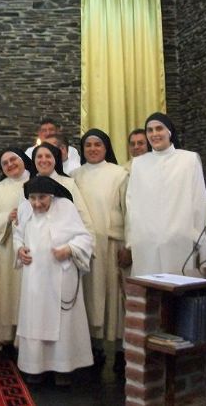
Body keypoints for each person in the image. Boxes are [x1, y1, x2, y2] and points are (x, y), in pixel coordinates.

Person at [14, 176, 94, 386]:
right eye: (33, 198)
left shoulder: (65, 207)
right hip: (34, 278)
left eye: (42, 198)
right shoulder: (24, 208)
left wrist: (69, 249)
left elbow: (85, 238)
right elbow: (18, 236)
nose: (37, 203)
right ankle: (34, 367)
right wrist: (19, 250)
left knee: (62, 323)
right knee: (35, 319)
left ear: (52, 196)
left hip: (61, 275)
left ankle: (63, 367)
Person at [125, 112, 206, 276]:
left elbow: (198, 200)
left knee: (177, 288)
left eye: (159, 129)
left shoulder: (189, 159)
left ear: (169, 132)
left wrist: (194, 233)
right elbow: (132, 202)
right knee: (150, 293)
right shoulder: (139, 163)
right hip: (146, 241)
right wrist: (134, 238)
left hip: (180, 238)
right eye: (150, 130)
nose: (154, 134)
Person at [73, 129, 129, 373]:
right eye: (88, 145)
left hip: (110, 244)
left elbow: (129, 211)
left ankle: (115, 349)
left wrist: (128, 243)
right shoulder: (75, 175)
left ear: (106, 148)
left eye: (98, 144)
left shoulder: (120, 174)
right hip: (83, 246)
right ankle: (89, 347)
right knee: (85, 295)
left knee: (110, 296)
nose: (93, 149)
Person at [0, 148, 35, 346]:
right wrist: (7, 217)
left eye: (14, 160)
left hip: (32, 247)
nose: (10, 165)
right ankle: (7, 339)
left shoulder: (35, 181)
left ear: (23, 160)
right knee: (8, 294)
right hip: (7, 247)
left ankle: (28, 339)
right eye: (5, 163)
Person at [31, 142, 95, 237]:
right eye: (39, 156)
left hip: (64, 245)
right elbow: (21, 221)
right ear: (34, 160)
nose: (43, 160)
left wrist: (89, 247)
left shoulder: (68, 184)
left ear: (55, 160)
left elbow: (83, 217)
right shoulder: (27, 186)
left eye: (48, 156)